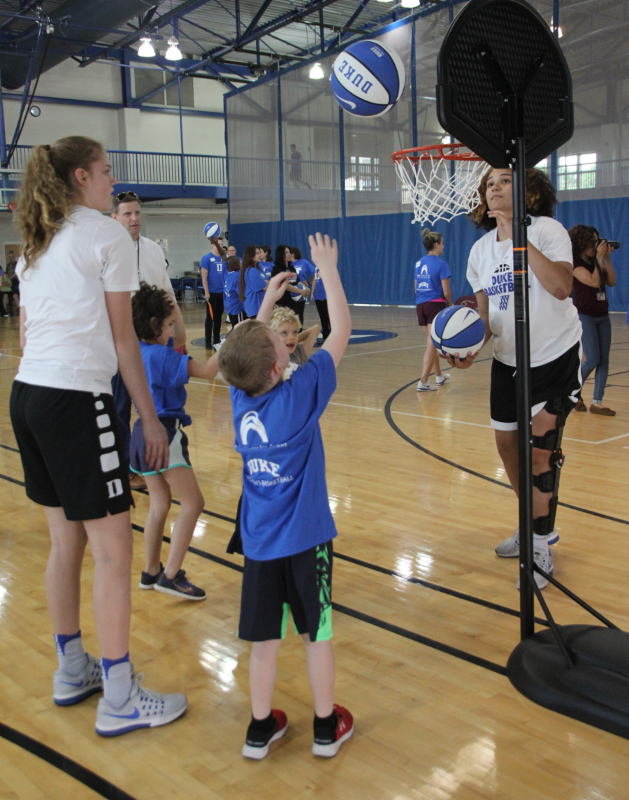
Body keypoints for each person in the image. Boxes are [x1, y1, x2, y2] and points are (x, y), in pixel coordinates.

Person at [9, 136, 187, 735]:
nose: (114, 181)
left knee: (66, 543)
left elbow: (28, 335)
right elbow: (123, 338)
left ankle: (71, 670)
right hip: (75, 402)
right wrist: (149, 416)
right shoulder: (106, 236)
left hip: (28, 397)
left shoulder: (36, 241)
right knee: (112, 551)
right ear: (81, 176)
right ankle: (119, 696)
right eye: (106, 171)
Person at [218, 234, 353, 760]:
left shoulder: (239, 397)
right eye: (279, 343)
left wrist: (265, 304)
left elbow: (241, 350)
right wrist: (328, 270)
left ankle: (259, 729)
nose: (284, 342)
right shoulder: (299, 395)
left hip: (259, 544)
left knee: (265, 641)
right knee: (317, 635)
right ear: (278, 367)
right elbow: (341, 332)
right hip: (307, 541)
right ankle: (325, 726)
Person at [452, 166, 582, 590]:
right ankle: (533, 523)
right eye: (489, 183)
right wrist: (469, 348)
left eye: (504, 180)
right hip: (507, 363)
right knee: (508, 449)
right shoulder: (479, 252)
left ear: (529, 191)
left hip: (554, 356)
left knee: (541, 454)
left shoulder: (547, 230)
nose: (494, 187)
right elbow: (487, 318)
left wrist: (519, 237)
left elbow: (561, 287)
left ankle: (540, 543)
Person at [131, 283, 220, 600]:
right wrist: (230, 343)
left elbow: (178, 340)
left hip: (140, 433)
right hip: (164, 432)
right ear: (155, 324)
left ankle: (151, 570)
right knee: (194, 503)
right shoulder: (162, 357)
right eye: (168, 324)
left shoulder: (137, 351)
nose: (172, 330)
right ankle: (170, 575)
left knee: (160, 504)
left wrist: (174, 310)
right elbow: (208, 370)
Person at [111, 191, 187, 490]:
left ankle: (156, 460)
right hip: (120, 340)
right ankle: (124, 467)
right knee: (119, 406)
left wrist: (179, 332)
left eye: (137, 213)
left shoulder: (153, 250)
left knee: (156, 403)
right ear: (114, 217)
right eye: (127, 214)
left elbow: (167, 294)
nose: (134, 219)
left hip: (155, 342)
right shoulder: (105, 250)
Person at [569, 225, 616, 416]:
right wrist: (598, 258)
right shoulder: (575, 264)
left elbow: (611, 281)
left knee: (604, 359)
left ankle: (597, 402)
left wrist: (606, 258)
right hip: (585, 315)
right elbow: (594, 281)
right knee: (593, 358)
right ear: (581, 243)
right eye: (592, 242)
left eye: (597, 242)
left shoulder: (595, 261)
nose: (595, 246)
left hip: (602, 315)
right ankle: (572, 391)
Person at [414, 228, 452, 392]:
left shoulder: (418, 263)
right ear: (437, 245)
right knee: (432, 343)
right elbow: (446, 291)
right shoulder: (441, 264)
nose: (443, 246)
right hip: (435, 305)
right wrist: (449, 304)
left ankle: (439, 376)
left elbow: (416, 288)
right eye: (442, 243)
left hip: (420, 305)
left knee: (432, 343)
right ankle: (423, 381)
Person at [268, 306, 321, 378]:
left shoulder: (298, 355)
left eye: (295, 332)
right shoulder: (268, 358)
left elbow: (316, 329)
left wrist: (293, 340)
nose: (291, 337)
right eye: (284, 333)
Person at [201, 235, 226, 349]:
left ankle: (216, 340)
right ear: (212, 245)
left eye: (221, 245)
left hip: (222, 292)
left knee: (219, 317)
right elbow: (204, 276)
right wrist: (206, 292)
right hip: (212, 293)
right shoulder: (206, 258)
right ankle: (207, 341)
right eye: (217, 245)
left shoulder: (223, 258)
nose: (220, 247)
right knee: (210, 317)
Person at [271, 244, 309, 314]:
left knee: (298, 318)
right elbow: (285, 286)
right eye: (286, 252)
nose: (289, 254)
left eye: (289, 252)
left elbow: (297, 281)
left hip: (294, 302)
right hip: (283, 303)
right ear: (280, 254)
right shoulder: (277, 269)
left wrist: (305, 288)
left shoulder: (291, 268)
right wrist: (300, 291)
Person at [239, 243, 267, 319]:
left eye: (259, 253)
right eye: (257, 253)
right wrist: (271, 282)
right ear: (251, 255)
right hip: (255, 307)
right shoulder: (252, 271)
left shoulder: (256, 269)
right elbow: (263, 286)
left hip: (257, 306)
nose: (259, 255)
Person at [290, 246, 316, 328]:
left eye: (289, 253)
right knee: (290, 313)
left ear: (293, 254)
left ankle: (299, 331)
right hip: (290, 290)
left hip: (301, 291)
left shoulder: (304, 262)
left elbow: (315, 272)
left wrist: (309, 282)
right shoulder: (288, 264)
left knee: (300, 313)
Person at [224, 255, 247, 327]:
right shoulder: (237, 276)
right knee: (240, 328)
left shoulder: (228, 275)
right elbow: (240, 293)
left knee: (235, 326)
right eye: (239, 263)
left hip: (230, 307)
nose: (240, 265)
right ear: (235, 265)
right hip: (237, 308)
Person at [312, 265, 331, 341]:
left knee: (327, 316)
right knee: (322, 317)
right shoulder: (315, 268)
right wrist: (312, 293)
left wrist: (321, 275)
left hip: (325, 296)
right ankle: (325, 334)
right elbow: (314, 280)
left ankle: (331, 334)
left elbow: (329, 280)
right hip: (318, 296)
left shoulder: (326, 267)